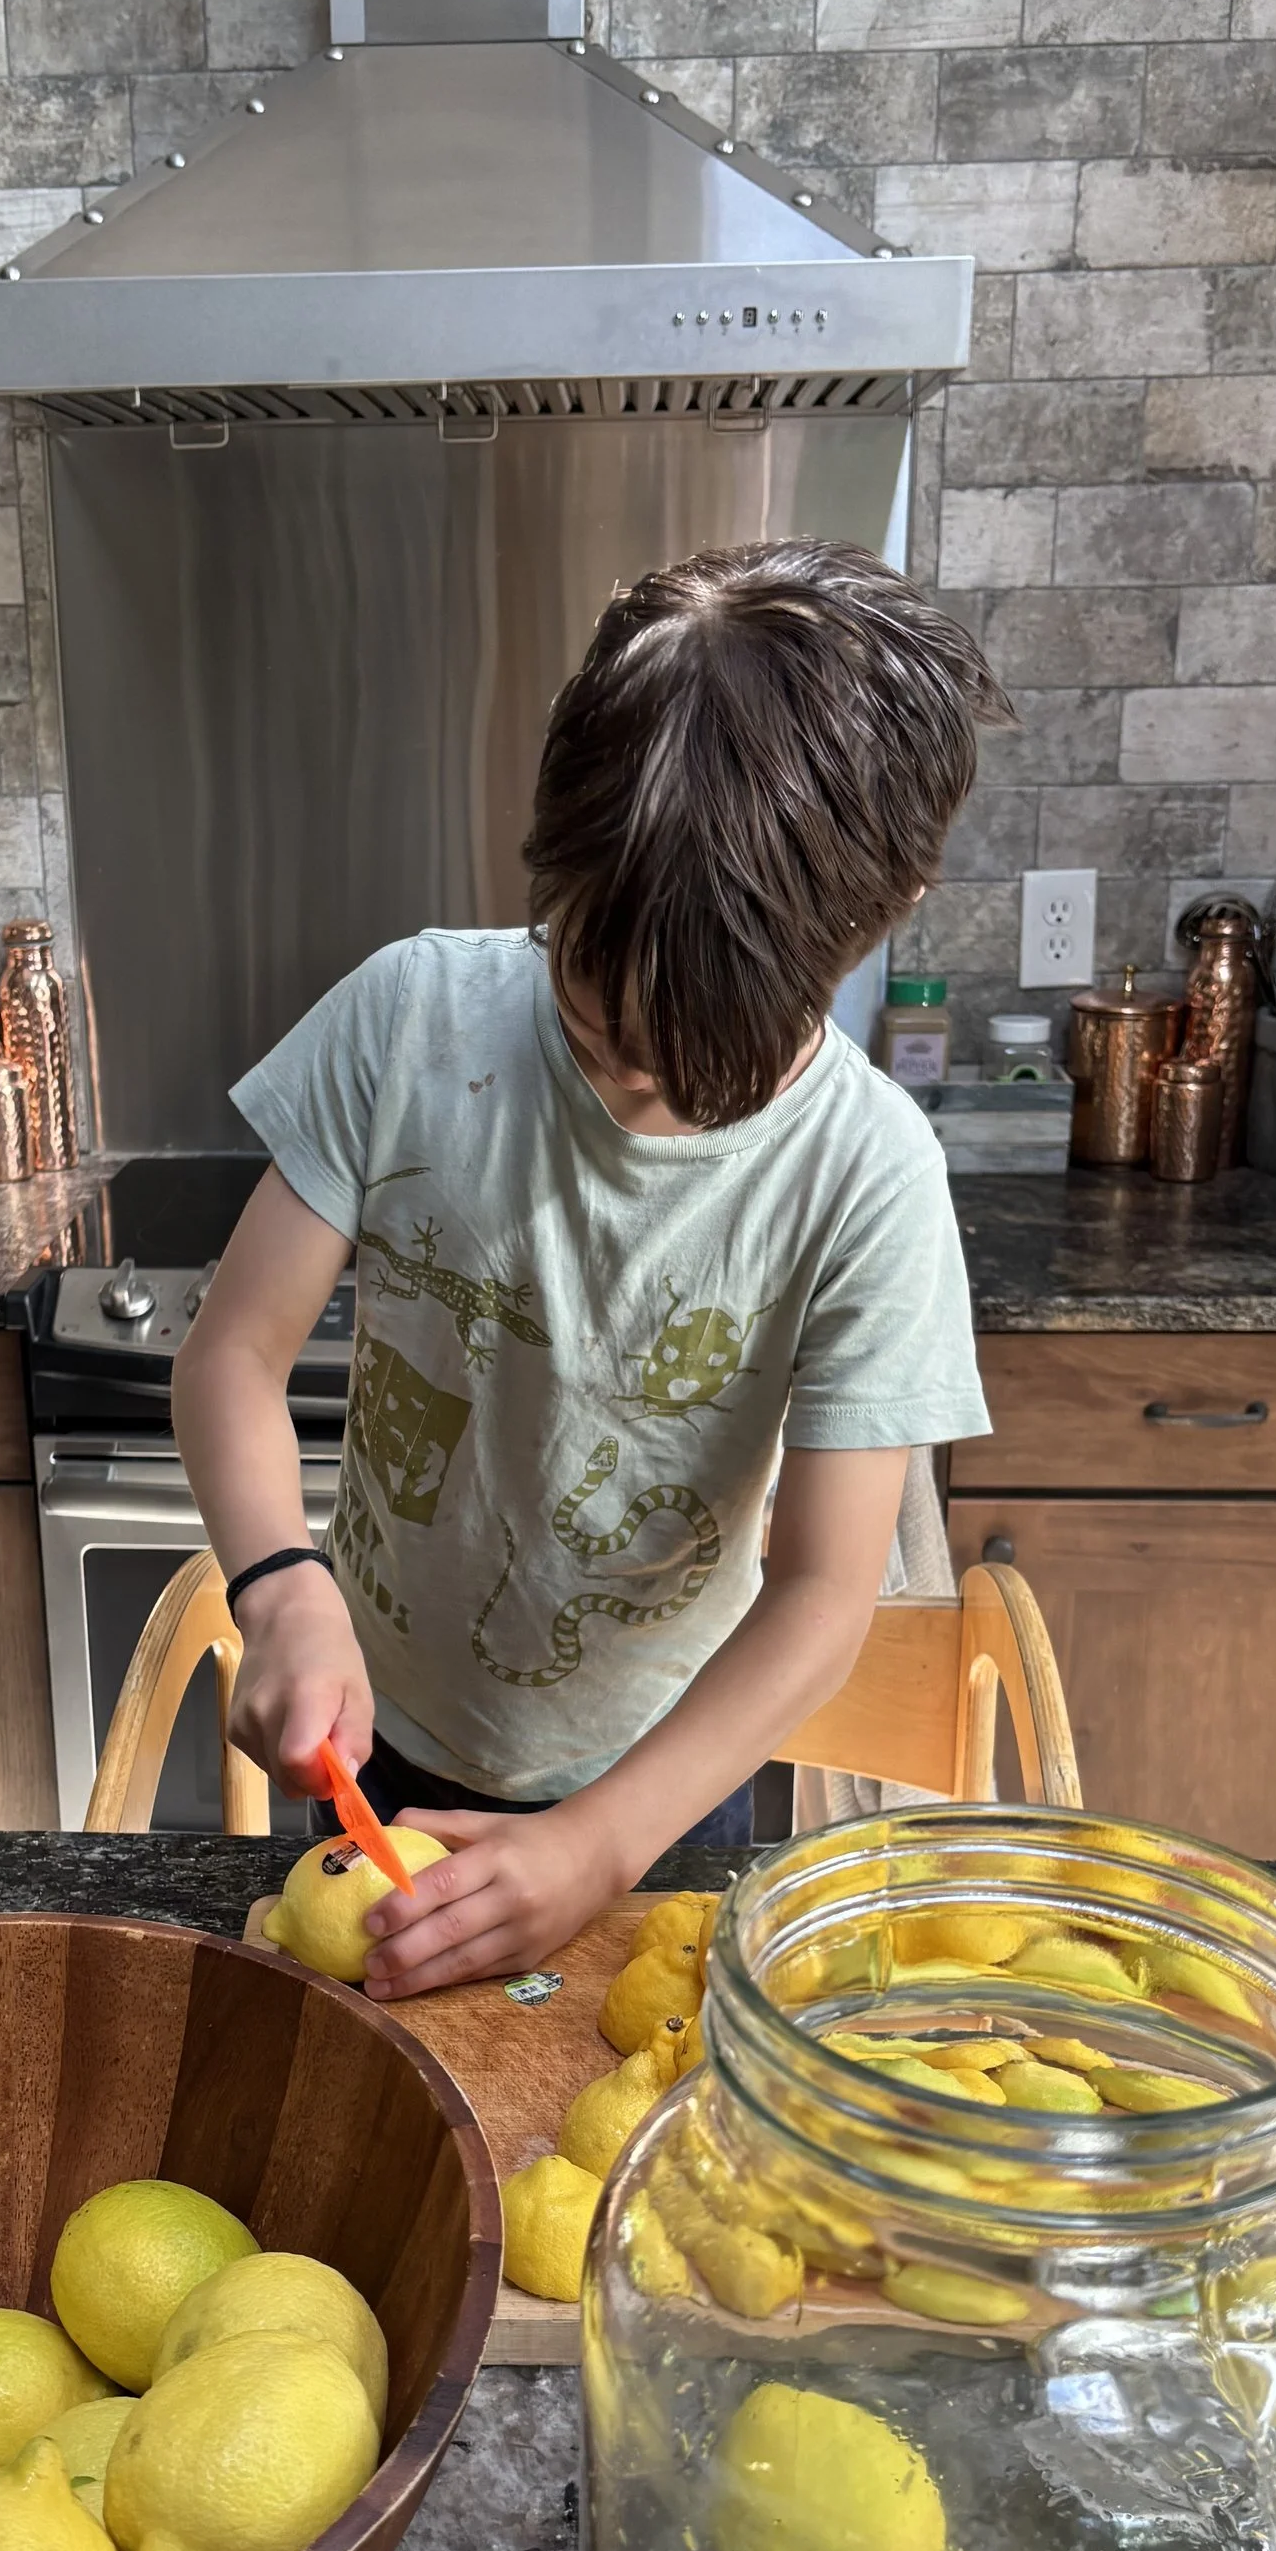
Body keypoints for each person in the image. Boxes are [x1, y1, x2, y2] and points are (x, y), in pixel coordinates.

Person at [172, 537, 1005, 2000]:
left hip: (667, 1790)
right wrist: (282, 1585)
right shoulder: (411, 1019)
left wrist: (602, 1843)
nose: (632, 1073)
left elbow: (823, 1590)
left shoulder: (868, 1176)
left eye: (698, 1052)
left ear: (885, 910)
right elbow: (233, 1356)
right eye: (594, 1007)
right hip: (382, 1734)